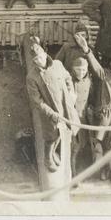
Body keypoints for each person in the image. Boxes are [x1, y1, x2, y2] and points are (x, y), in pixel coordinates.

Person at [74, 33, 111, 188]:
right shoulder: (104, 75)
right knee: (106, 145)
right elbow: (95, 65)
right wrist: (86, 49)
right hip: (103, 115)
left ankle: (106, 167)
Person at [25, 38, 78, 172]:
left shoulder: (58, 64)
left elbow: (67, 78)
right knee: (52, 136)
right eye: (36, 60)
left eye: (41, 57)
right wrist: (51, 113)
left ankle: (56, 152)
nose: (40, 61)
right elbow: (37, 101)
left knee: (65, 131)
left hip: (65, 106)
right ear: (34, 62)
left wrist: (71, 92)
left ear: (45, 54)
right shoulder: (32, 77)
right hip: (51, 111)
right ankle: (48, 157)